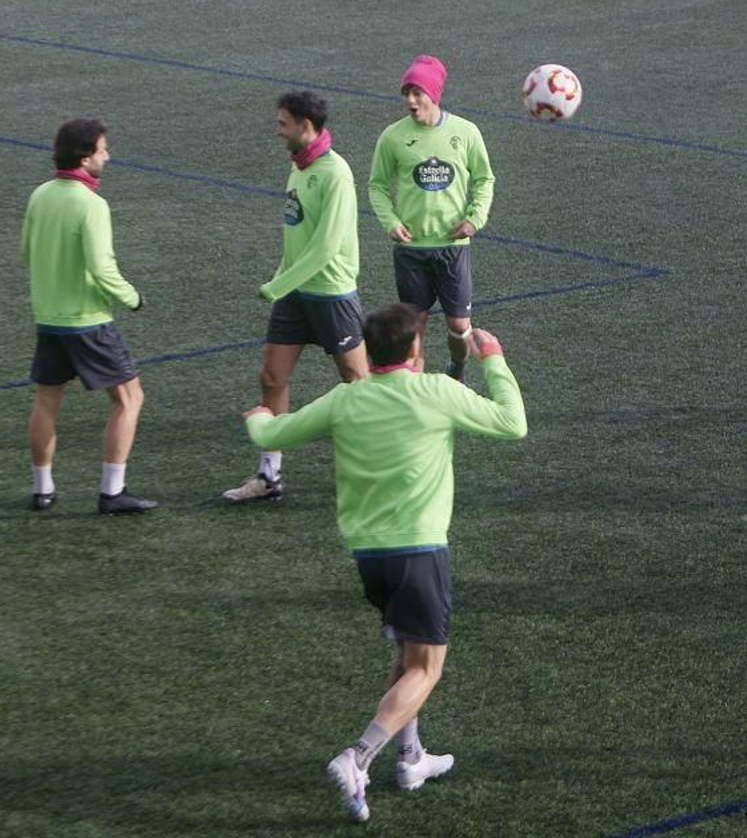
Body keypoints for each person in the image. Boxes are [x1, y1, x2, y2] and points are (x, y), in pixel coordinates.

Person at [243, 302, 526, 823]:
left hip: (368, 555)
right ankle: (359, 756)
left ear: (368, 351)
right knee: (426, 667)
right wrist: (494, 359)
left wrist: (259, 417)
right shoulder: (436, 391)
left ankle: (412, 758)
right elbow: (513, 424)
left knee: (405, 655)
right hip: (418, 549)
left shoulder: (344, 399)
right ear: (416, 349)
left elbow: (271, 434)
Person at [224, 91, 369, 503]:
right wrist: (281, 280)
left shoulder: (335, 173)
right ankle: (269, 476)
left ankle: (378, 467)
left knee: (359, 384)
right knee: (271, 378)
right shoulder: (299, 168)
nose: (277, 129)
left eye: (283, 122)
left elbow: (325, 248)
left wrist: (275, 286)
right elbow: (295, 240)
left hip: (331, 294)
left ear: (306, 126)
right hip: (295, 293)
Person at [21, 118, 156, 514]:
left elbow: (27, 251)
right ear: (84, 157)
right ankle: (112, 492)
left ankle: (42, 489)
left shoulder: (40, 195)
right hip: (87, 319)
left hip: (48, 318)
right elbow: (102, 267)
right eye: (103, 149)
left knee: (46, 401)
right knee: (129, 398)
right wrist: (132, 298)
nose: (108, 156)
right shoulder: (91, 204)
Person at [367, 55, 495, 380]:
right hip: (412, 251)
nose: (410, 100)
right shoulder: (392, 137)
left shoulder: (465, 132)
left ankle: (458, 368)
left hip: (453, 247)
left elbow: (484, 179)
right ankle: (417, 386)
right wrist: (391, 223)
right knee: (414, 327)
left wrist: (474, 218)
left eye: (417, 92)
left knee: (459, 326)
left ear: (433, 94)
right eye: (406, 92)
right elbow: (377, 186)